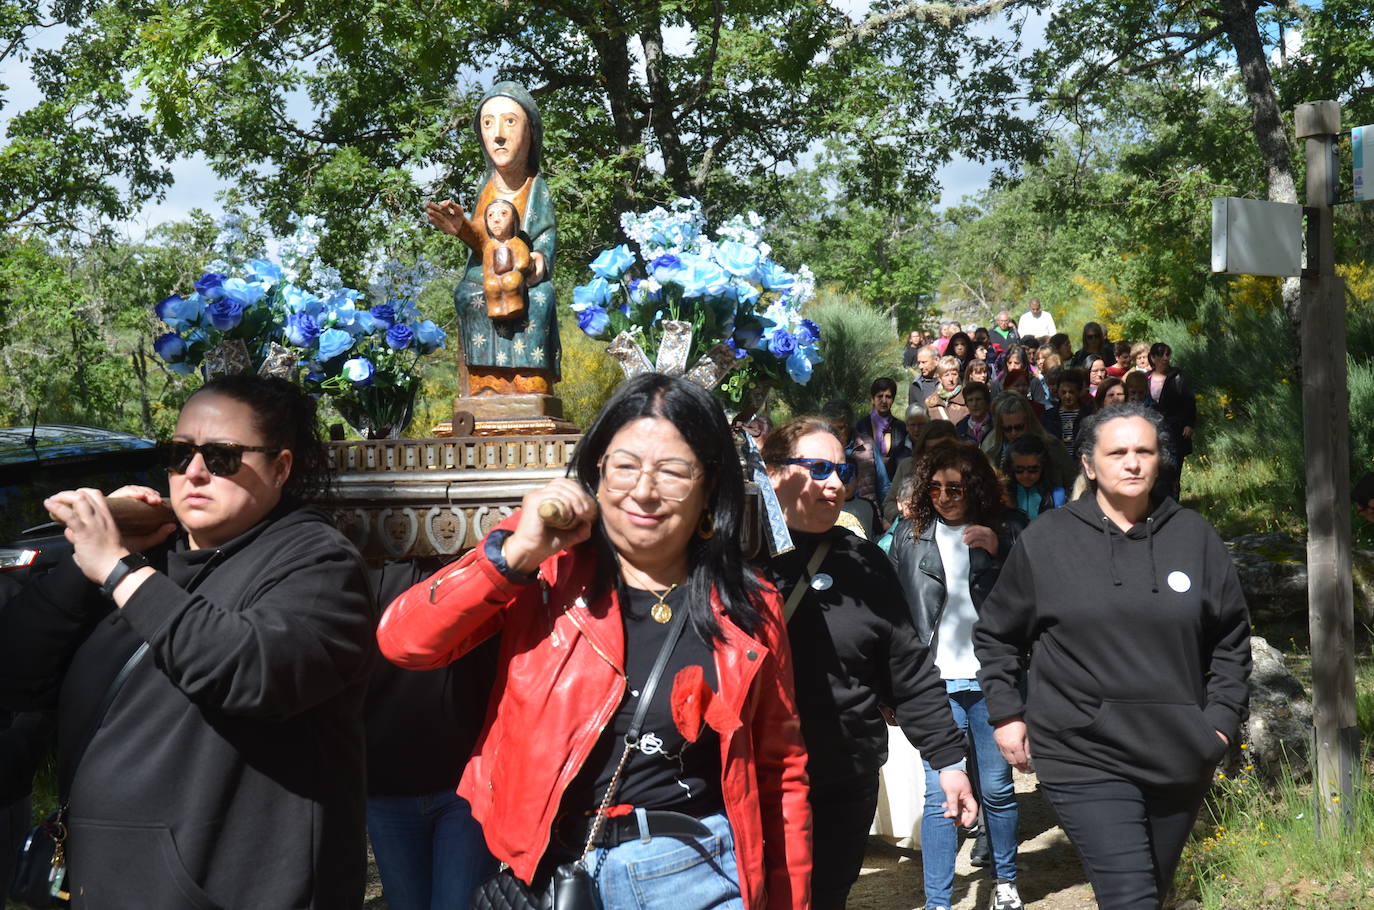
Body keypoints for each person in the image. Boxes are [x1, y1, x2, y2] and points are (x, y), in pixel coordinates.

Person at [377, 373, 812, 909]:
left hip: (691, 873)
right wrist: (514, 556)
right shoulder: (546, 571)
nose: (644, 491)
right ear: (598, 472)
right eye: (625, 466)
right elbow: (405, 642)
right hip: (548, 877)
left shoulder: (750, 605)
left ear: (708, 484)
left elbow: (780, 773)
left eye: (673, 470)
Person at [0, 374, 376, 908]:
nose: (195, 472)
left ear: (281, 467)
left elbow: (252, 671)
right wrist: (85, 570)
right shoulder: (148, 559)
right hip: (103, 884)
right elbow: (16, 672)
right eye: (179, 454)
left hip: (226, 892)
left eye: (222, 457)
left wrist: (117, 569)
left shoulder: (317, 562)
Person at [974, 405, 1251, 910]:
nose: (1132, 463)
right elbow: (996, 635)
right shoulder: (1048, 540)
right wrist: (1007, 714)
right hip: (1082, 751)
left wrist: (1218, 724)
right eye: (1117, 452)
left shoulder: (1195, 537)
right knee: (1130, 897)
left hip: (1179, 750)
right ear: (1088, 464)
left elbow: (1231, 640)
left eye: (1143, 451)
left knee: (1153, 891)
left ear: (1160, 460)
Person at [762, 418, 976, 910]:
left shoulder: (865, 563)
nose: (836, 483)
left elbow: (908, 668)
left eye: (842, 470)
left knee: (827, 896)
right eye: (817, 468)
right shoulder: (734, 557)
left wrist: (948, 760)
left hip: (843, 777)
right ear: (773, 472)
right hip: (757, 779)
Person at [888, 439, 1028, 910]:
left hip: (993, 682)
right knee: (939, 799)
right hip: (935, 685)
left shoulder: (1008, 528)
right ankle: (937, 902)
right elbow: (892, 613)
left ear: (976, 486)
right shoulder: (909, 536)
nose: (945, 496)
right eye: (935, 487)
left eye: (956, 486)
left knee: (996, 788)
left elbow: (1038, 599)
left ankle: (1005, 881)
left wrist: (1002, 551)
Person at [427, 81, 559, 396]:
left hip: (524, 273)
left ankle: (529, 377)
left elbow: (545, 237)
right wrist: (462, 227)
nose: (498, 134)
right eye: (488, 123)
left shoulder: (536, 189)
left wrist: (536, 263)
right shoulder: (485, 188)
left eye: (509, 122)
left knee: (540, 299)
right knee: (467, 294)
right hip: (485, 270)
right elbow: (484, 241)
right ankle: (484, 379)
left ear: (530, 133)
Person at [982, 392, 1077, 490]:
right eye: (1008, 429)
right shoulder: (994, 455)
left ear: (1029, 422)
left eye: (1019, 427)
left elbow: (1072, 481)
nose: (1013, 433)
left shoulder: (1052, 447)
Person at [883, 420, 958, 527]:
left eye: (943, 449)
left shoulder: (963, 472)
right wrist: (905, 516)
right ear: (923, 448)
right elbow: (888, 504)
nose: (937, 455)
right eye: (931, 449)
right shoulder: (907, 466)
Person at [854, 378, 910, 511]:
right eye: (880, 396)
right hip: (867, 485)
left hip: (893, 484)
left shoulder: (900, 427)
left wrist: (890, 462)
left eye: (888, 396)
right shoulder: (861, 426)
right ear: (872, 399)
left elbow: (903, 454)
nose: (884, 401)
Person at [1147, 343, 1197, 470]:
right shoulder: (1146, 377)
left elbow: (1189, 401)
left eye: (1167, 354)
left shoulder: (1178, 376)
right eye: (1160, 355)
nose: (1165, 358)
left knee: (1174, 467)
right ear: (1152, 358)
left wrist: (1189, 424)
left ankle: (1174, 489)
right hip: (1151, 428)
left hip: (1175, 428)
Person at [1001, 435, 1065, 521]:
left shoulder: (1057, 496)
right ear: (1011, 468)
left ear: (1043, 467)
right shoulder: (1005, 493)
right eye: (1019, 470)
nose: (1025, 475)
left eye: (1033, 470)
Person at [926, 356, 969, 425]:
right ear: (939, 378)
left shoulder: (967, 399)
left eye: (954, 374)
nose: (951, 379)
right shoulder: (931, 403)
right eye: (946, 375)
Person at [955, 382, 993, 446]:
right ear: (966, 404)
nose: (974, 404)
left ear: (986, 401)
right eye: (970, 400)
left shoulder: (996, 424)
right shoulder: (961, 427)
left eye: (978, 399)